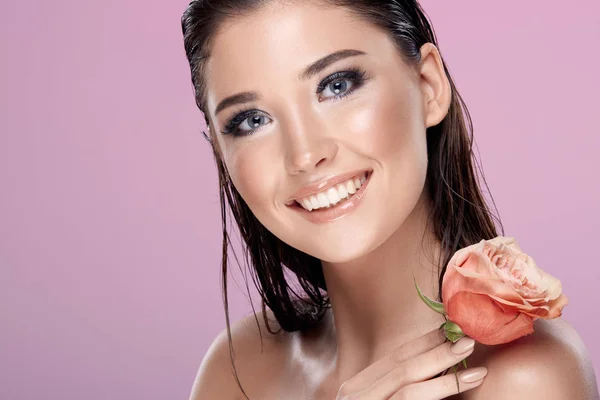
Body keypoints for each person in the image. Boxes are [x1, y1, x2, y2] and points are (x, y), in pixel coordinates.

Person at [180, 1, 599, 398]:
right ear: (220, 150)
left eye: (337, 85)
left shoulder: (523, 376)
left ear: (429, 87)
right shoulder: (236, 371)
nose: (304, 155)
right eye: (252, 121)